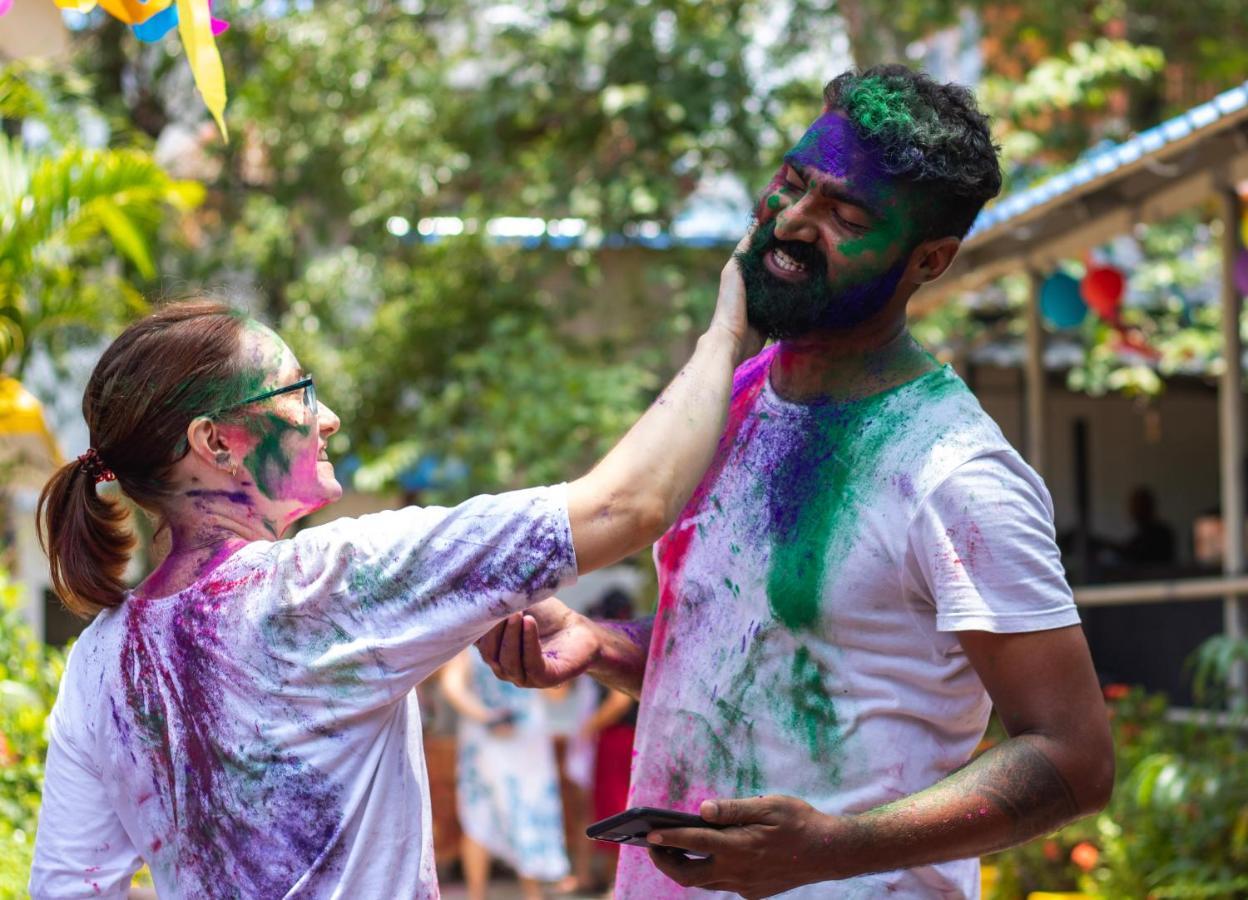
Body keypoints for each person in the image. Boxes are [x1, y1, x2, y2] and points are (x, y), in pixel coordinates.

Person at [477, 64, 1115, 898]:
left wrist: (833, 848)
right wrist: (599, 646)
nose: (794, 221)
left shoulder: (958, 474)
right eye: (793, 182)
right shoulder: (736, 398)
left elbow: (1075, 758)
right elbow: (746, 649)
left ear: (931, 259)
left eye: (846, 214)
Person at [30, 255, 760, 898]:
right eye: (298, 393)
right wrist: (728, 331)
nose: (329, 418)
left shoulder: (99, 662)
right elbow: (627, 506)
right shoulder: (328, 584)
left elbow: (68, 888)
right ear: (216, 443)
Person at [440, 650, 569, 900]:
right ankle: (532, 895)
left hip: (498, 738)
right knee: (518, 810)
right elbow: (558, 694)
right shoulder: (531, 642)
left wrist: (486, 716)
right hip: (513, 741)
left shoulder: (474, 640)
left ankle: (479, 896)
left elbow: (452, 686)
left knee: (483, 815)